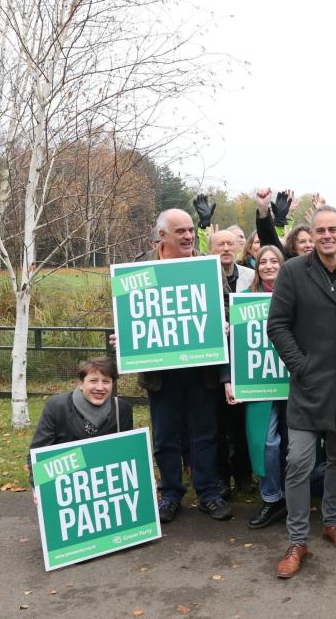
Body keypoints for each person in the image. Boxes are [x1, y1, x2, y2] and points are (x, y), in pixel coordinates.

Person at [267, 205, 336, 578]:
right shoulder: (294, 271)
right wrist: (301, 366)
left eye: (333, 229)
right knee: (298, 461)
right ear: (310, 236)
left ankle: (331, 522)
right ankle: (297, 540)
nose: (327, 235)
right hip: (308, 387)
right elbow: (277, 325)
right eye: (320, 230)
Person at [128, 209, 232, 523]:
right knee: (165, 437)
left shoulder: (206, 266)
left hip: (201, 372)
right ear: (162, 236)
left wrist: (224, 322)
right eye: (181, 232)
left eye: (190, 230)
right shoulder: (139, 270)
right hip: (161, 375)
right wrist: (124, 338)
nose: (188, 236)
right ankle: (170, 494)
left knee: (205, 434)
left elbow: (225, 305)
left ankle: (208, 493)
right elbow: (128, 314)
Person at [232, 245, 290, 529]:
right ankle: (272, 497)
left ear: (283, 264)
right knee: (267, 442)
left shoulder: (298, 297)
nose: (268, 265)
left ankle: (296, 498)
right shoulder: (243, 300)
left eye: (274, 260)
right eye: (262, 261)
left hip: (295, 382)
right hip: (260, 382)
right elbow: (232, 348)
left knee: (298, 444)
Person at [28, 357, 133, 488]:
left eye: (106, 382)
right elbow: (38, 454)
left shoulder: (121, 409)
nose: (100, 387)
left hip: (106, 487)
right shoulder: (57, 406)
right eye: (93, 381)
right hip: (66, 487)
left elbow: (128, 455)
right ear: (80, 383)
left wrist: (141, 477)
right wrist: (38, 488)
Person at [210, 229, 254, 496]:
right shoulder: (202, 276)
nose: (226, 248)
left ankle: (244, 475)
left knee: (241, 423)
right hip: (212, 362)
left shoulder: (250, 275)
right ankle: (222, 477)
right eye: (220, 243)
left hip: (245, 358)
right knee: (216, 423)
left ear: (239, 246)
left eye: (230, 243)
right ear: (211, 247)